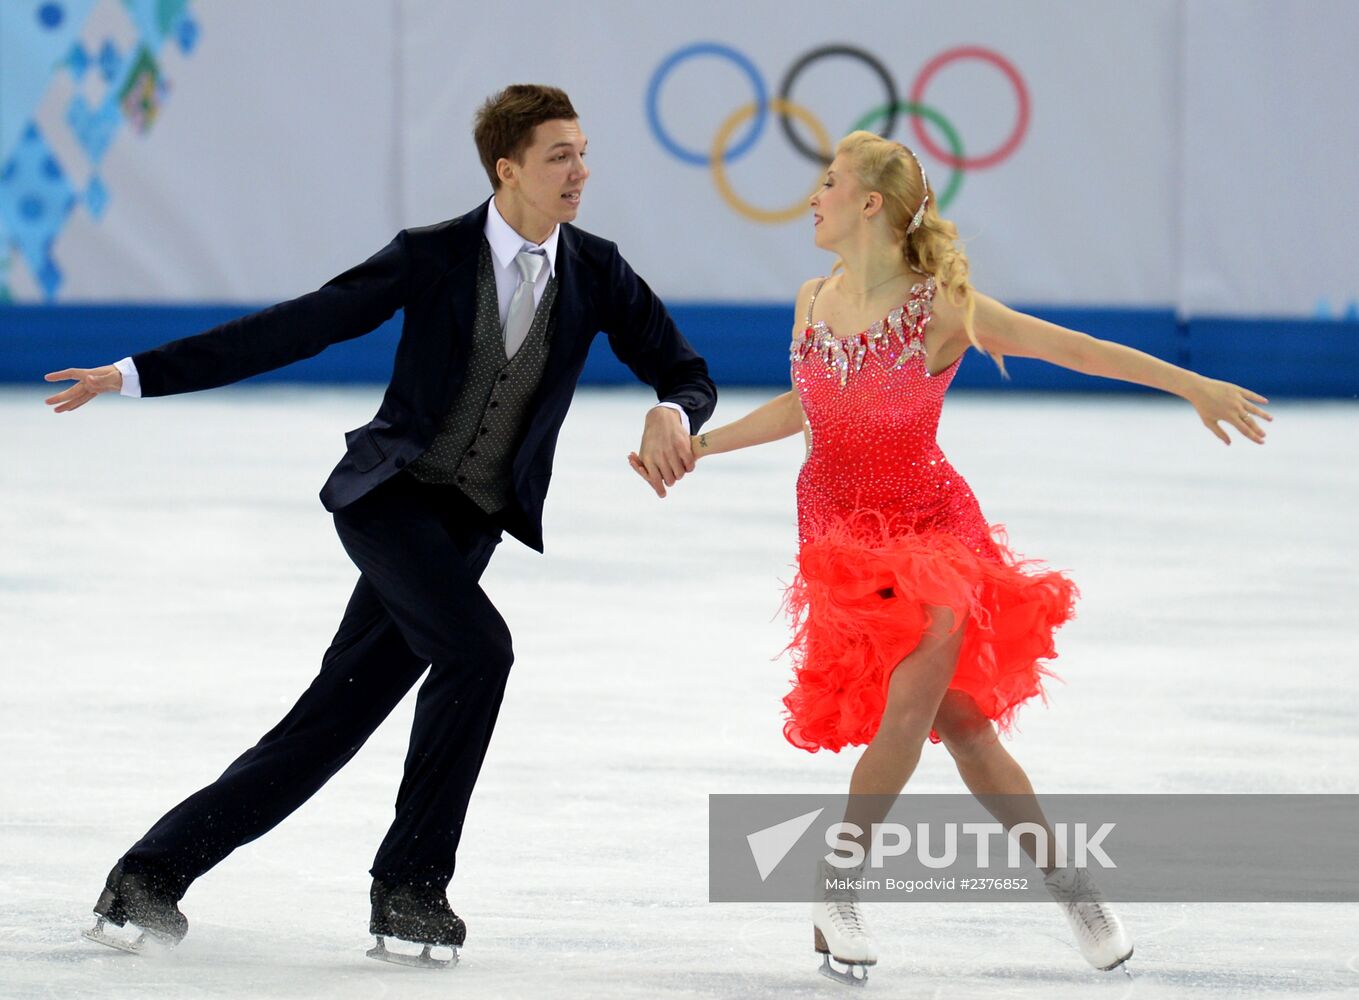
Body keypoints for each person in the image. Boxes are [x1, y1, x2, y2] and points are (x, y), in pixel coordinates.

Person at [45, 84, 716, 966]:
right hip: (390, 504)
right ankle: (410, 887)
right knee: (479, 651)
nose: (580, 172)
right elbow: (301, 326)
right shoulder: (433, 256)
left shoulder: (596, 270)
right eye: (560, 155)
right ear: (507, 169)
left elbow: (684, 368)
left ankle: (150, 874)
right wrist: (135, 374)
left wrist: (674, 410)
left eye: (583, 152)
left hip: (469, 523)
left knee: (331, 721)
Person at [630, 130, 1270, 983]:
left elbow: (1073, 348)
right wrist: (701, 449)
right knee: (962, 727)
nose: (812, 197)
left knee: (912, 704)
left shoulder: (941, 307)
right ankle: (1068, 883)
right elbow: (807, 407)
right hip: (839, 535)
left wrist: (1192, 384)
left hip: (933, 532)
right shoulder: (810, 298)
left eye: (827, 183)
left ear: (869, 204)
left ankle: (839, 885)